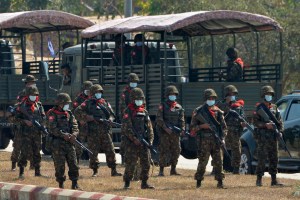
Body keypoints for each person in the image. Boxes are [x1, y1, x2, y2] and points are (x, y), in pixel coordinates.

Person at [74, 84, 122, 177]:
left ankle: (114, 170)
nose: (98, 94)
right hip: (93, 132)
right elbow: (77, 111)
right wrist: (88, 117)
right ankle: (95, 171)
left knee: (110, 150)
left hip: (105, 131)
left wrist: (110, 120)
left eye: (100, 92)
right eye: (97, 92)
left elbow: (112, 114)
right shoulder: (87, 103)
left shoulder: (104, 103)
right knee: (93, 152)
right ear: (92, 94)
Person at [190, 88, 227, 188]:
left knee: (219, 162)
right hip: (204, 142)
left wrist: (222, 138)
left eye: (213, 98)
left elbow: (224, 128)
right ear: (205, 99)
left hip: (216, 141)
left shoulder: (218, 112)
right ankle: (198, 182)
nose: (211, 100)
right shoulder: (199, 111)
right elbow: (192, 128)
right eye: (209, 98)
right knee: (203, 162)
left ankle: (220, 182)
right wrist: (202, 126)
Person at [122, 88, 155, 189]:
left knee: (146, 162)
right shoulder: (128, 111)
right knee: (131, 164)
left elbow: (149, 127)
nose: (139, 101)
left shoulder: (144, 111)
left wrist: (150, 140)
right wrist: (134, 139)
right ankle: (127, 183)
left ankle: (144, 183)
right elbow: (126, 128)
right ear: (132, 99)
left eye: (141, 99)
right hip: (132, 143)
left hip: (143, 142)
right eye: (137, 99)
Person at [46, 93, 81, 189]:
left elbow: (75, 125)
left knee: (73, 164)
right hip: (57, 143)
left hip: (69, 143)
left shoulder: (69, 113)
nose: (67, 105)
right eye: (66, 103)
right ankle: (61, 184)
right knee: (60, 166)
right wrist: (62, 135)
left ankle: (75, 183)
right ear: (60, 103)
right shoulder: (51, 113)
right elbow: (52, 128)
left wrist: (74, 134)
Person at [253, 85, 283, 187]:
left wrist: (280, 131)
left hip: (273, 138)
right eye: (267, 94)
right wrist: (265, 125)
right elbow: (255, 123)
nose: (269, 96)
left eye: (270, 94)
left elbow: (280, 121)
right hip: (263, 138)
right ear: (263, 95)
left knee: (274, 158)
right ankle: (259, 179)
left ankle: (274, 180)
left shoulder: (275, 108)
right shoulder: (259, 108)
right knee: (262, 158)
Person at [14, 86, 45, 179]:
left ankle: (37, 172)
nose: (34, 97)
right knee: (24, 152)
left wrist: (42, 125)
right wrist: (24, 121)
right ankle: (21, 173)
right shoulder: (21, 106)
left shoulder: (38, 105)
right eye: (32, 95)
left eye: (35, 95)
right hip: (25, 134)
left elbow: (43, 117)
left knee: (37, 152)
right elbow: (14, 119)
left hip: (36, 133)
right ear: (27, 95)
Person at [156, 85, 185, 176]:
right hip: (165, 133)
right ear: (167, 95)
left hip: (175, 133)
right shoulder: (162, 106)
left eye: (174, 94)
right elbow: (159, 119)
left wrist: (182, 129)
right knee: (164, 150)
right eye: (171, 94)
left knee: (176, 150)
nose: (173, 96)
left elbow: (182, 119)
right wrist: (165, 128)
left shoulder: (179, 107)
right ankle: (161, 170)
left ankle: (173, 169)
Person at [217, 85, 246, 174]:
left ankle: (236, 169)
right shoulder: (220, 105)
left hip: (235, 131)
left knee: (236, 149)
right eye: (230, 94)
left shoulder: (238, 106)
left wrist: (243, 123)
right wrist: (227, 104)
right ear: (226, 95)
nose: (232, 96)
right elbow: (218, 115)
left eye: (234, 94)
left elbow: (242, 116)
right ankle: (217, 168)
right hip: (223, 131)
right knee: (218, 149)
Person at [11, 75, 37, 171]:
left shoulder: (35, 92)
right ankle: (14, 164)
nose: (33, 84)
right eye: (32, 82)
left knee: (31, 145)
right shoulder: (22, 93)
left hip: (31, 121)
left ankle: (32, 165)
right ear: (27, 83)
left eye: (34, 82)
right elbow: (19, 106)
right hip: (21, 123)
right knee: (17, 145)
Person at [72, 81, 93, 164]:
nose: (88, 92)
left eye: (89, 90)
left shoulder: (93, 99)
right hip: (82, 125)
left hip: (91, 124)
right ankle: (76, 161)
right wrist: (80, 119)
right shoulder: (78, 99)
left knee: (92, 143)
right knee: (79, 143)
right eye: (86, 90)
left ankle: (92, 161)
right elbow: (74, 111)